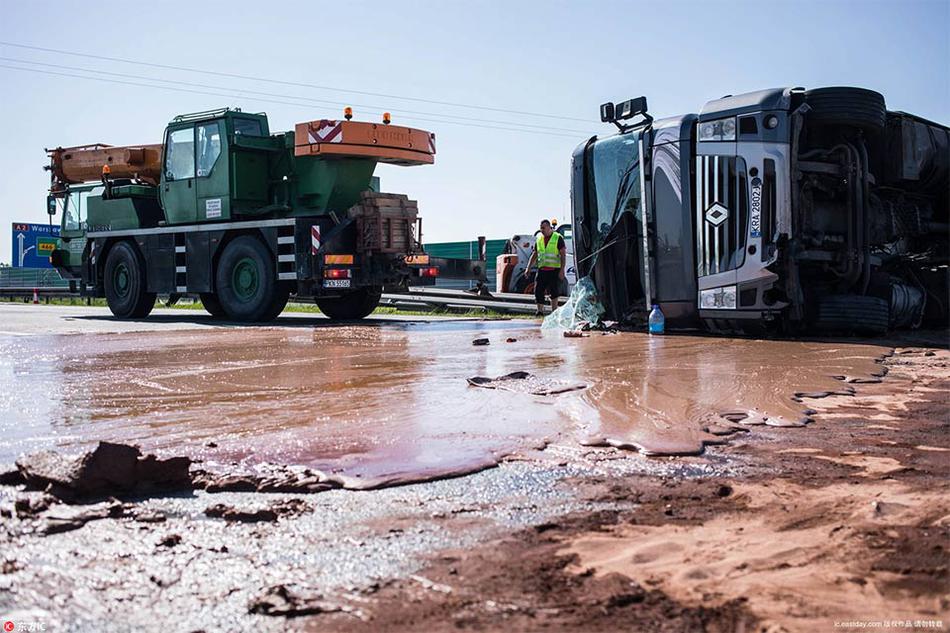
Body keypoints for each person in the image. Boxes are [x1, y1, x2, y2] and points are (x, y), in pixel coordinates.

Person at [525, 219, 566, 317]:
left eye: (543, 228)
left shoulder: (558, 238)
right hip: (542, 270)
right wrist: (528, 268)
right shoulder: (539, 239)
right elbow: (534, 254)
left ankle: (554, 312)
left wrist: (562, 270)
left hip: (554, 270)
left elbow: (563, 255)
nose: (542, 230)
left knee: (554, 291)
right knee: (538, 290)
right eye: (540, 228)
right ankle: (540, 311)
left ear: (549, 227)